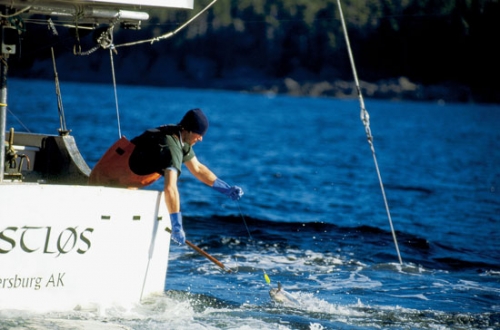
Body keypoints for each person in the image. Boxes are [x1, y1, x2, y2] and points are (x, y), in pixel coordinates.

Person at [89, 108, 243, 245]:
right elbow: (170, 189)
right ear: (188, 130)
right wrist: (176, 225)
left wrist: (225, 189)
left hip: (123, 180)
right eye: (199, 133)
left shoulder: (180, 136)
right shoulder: (171, 149)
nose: (201, 138)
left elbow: (197, 168)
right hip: (105, 181)